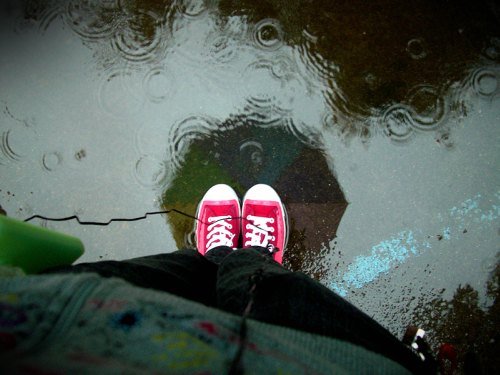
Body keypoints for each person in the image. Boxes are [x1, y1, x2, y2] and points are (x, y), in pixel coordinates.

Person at [0, 184, 433, 374]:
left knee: (162, 277)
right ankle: (251, 256)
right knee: (263, 290)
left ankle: (216, 256)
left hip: (45, 322)